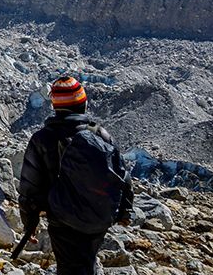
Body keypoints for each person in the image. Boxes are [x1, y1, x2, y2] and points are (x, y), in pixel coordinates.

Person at [18, 76, 133, 275]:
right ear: (83, 104)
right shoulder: (100, 134)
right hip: (99, 216)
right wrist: (124, 212)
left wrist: (30, 223)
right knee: (86, 261)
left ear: (55, 107)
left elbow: (30, 186)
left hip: (63, 219)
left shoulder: (43, 138)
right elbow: (122, 175)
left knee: (70, 266)